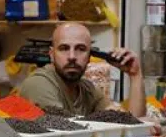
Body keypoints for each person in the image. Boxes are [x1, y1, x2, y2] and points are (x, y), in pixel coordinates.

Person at [17, 22, 145, 118]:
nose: (72, 56)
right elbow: (67, 130)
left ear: (89, 56)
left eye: (80, 49)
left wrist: (135, 74)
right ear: (51, 54)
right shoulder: (38, 84)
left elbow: (133, 127)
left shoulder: (87, 89)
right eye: (64, 48)